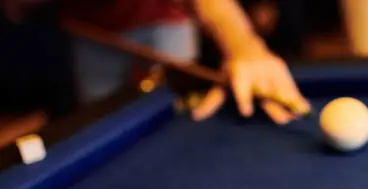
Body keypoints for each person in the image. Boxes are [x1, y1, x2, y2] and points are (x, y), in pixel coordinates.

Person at [1, 0, 311, 125]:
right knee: (105, 119)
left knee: (177, 112)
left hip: (161, 19)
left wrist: (245, 46)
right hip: (91, 31)